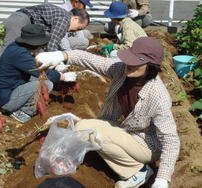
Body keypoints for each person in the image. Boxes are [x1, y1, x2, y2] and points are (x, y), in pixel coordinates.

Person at [35, 37, 180, 188]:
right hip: (129, 130)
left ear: (150, 66)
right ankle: (130, 163)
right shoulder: (121, 70)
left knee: (95, 134)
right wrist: (61, 55)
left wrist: (163, 178)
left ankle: (137, 172)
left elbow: (171, 140)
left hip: (148, 145)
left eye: (136, 62)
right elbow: (88, 59)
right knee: (82, 127)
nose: (129, 64)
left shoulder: (158, 96)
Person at [0, 24, 77, 123]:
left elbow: (34, 62)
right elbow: (42, 72)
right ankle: (22, 112)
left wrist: (55, 65)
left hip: (5, 92)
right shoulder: (20, 54)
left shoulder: (16, 47)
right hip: (5, 100)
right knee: (47, 84)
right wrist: (62, 77)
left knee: (37, 80)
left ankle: (19, 106)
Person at [0, 3, 89, 89]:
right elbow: (52, 44)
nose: (75, 31)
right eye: (78, 28)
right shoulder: (65, 20)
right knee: (6, 52)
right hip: (21, 20)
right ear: (75, 19)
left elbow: (48, 43)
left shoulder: (61, 16)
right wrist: (58, 65)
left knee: (19, 54)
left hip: (21, 19)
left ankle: (16, 82)